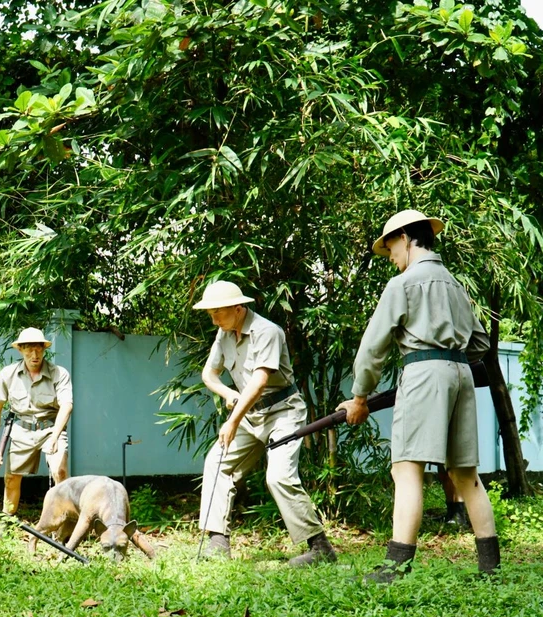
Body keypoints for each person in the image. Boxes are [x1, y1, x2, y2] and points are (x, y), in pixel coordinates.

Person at [337, 209, 498, 582]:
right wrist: (450, 355)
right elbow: (480, 342)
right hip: (461, 374)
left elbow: (372, 348)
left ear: (405, 239)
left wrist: (359, 398)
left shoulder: (403, 284)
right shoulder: (454, 285)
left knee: (406, 468)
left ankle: (395, 567)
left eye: (391, 247)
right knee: (466, 474)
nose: (391, 257)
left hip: (423, 373)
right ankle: (490, 567)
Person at [194, 281, 337, 566]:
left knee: (278, 476)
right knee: (217, 462)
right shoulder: (224, 333)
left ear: (238, 309)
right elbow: (209, 374)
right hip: (250, 414)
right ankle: (218, 542)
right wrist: (228, 394)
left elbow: (259, 381)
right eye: (211, 314)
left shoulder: (267, 331)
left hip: (283, 411)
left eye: (218, 313)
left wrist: (232, 421)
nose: (214, 320)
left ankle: (320, 547)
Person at [0, 328, 73, 514]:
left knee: (60, 472)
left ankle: (65, 522)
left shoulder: (59, 373)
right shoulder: (7, 374)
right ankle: (7, 520)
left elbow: (67, 406)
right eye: (29, 349)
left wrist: (55, 437)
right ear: (20, 349)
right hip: (21, 429)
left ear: (44, 349)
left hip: (51, 428)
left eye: (38, 349)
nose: (35, 355)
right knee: (11, 478)